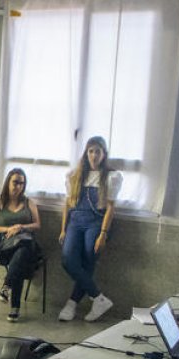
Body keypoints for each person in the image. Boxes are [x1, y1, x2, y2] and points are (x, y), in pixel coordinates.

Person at [58, 136, 122, 322]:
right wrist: (63, 229)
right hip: (76, 222)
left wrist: (103, 234)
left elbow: (110, 208)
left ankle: (71, 304)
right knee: (68, 259)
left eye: (98, 151)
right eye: (90, 151)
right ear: (86, 153)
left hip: (96, 222)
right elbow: (67, 205)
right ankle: (98, 297)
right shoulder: (75, 175)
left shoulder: (111, 176)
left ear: (104, 154)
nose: (94, 155)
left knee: (88, 259)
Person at [0, 168, 42, 322]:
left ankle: (6, 287)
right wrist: (9, 229)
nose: (18, 186)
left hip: (26, 244)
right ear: (8, 182)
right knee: (22, 254)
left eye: (22, 183)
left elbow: (37, 225)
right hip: (6, 245)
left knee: (23, 250)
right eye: (15, 182)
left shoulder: (29, 202)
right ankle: (14, 306)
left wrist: (21, 227)